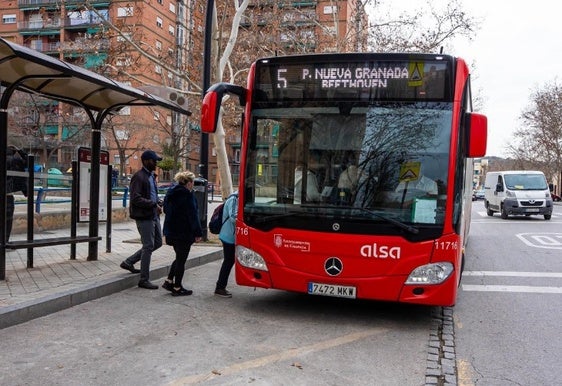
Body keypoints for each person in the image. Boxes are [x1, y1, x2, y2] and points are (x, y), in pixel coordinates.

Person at [120, 150, 164, 289]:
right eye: (153, 160)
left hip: (153, 215)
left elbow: (152, 195)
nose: (156, 163)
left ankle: (129, 262)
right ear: (145, 161)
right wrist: (153, 204)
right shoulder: (139, 177)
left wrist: (159, 201)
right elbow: (136, 198)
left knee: (157, 243)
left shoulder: (151, 176)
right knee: (148, 246)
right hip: (144, 216)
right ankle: (144, 279)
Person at [161, 171, 202, 296]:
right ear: (189, 183)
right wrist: (198, 233)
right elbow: (193, 216)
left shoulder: (171, 193)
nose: (193, 185)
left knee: (179, 257)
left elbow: (165, 210)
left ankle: (169, 281)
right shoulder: (187, 195)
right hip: (184, 232)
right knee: (181, 260)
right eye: (193, 182)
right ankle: (177, 287)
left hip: (171, 232)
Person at [215, 191, 238, 298]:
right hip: (228, 235)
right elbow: (233, 217)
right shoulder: (234, 199)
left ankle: (220, 286)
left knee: (229, 261)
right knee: (228, 261)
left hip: (230, 234)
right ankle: (220, 287)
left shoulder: (235, 198)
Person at [6, 146, 28, 243]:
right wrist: (20, 150)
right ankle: (5, 241)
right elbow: (28, 161)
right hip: (8, 194)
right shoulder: (15, 160)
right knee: (8, 220)